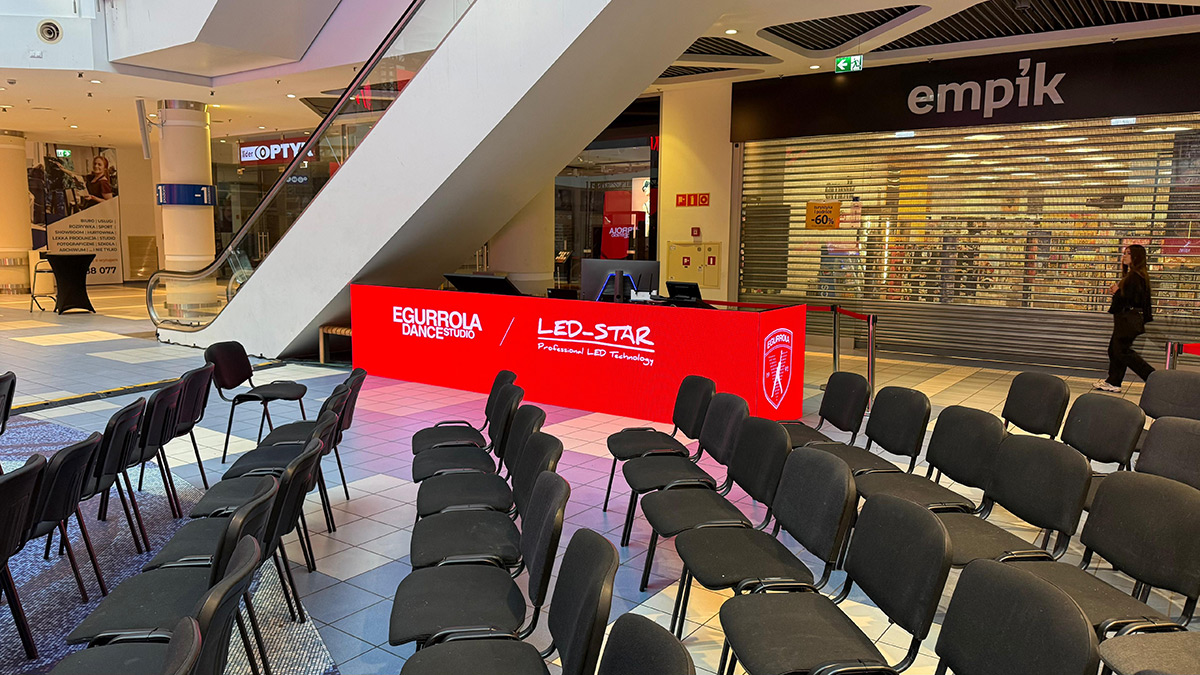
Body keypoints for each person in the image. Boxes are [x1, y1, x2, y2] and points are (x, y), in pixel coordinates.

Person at [1094, 244, 1155, 392]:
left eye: (1128, 253)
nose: (1124, 256)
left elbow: (1132, 300)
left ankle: (1152, 376)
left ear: (1136, 257)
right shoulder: (1136, 275)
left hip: (1128, 320)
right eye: (1124, 253)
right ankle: (1114, 381)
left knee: (1122, 351)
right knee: (1116, 350)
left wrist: (1117, 291)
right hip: (1126, 319)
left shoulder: (1135, 277)